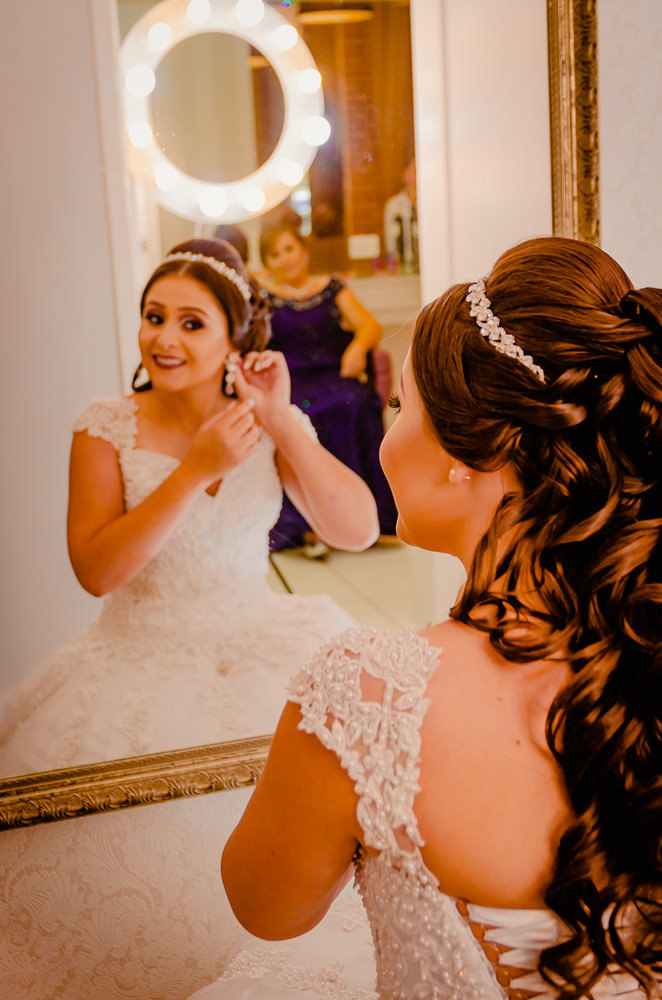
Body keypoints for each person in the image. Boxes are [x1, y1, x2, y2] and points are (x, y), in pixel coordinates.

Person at [221, 237, 662, 999]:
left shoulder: (370, 693)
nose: (387, 433)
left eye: (400, 406)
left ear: (472, 453)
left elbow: (267, 908)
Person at [0, 237, 380, 999]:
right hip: (137, 653)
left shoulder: (262, 419)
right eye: (153, 317)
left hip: (264, 644)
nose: (165, 339)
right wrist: (195, 472)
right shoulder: (104, 425)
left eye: (191, 323)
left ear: (238, 339)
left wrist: (281, 422)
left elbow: (358, 529)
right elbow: (97, 570)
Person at [259, 221, 398, 558]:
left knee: (355, 402)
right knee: (300, 414)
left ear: (304, 250)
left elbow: (370, 325)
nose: (285, 259)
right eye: (275, 255)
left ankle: (370, 517)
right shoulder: (266, 299)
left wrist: (357, 347)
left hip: (335, 375)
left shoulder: (333, 288)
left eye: (289, 249)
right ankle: (307, 527)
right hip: (293, 383)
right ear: (268, 264)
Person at [383, 157, 418, 273]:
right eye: (412, 169)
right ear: (404, 173)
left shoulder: (429, 205)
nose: (416, 174)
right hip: (402, 267)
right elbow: (390, 241)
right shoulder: (394, 205)